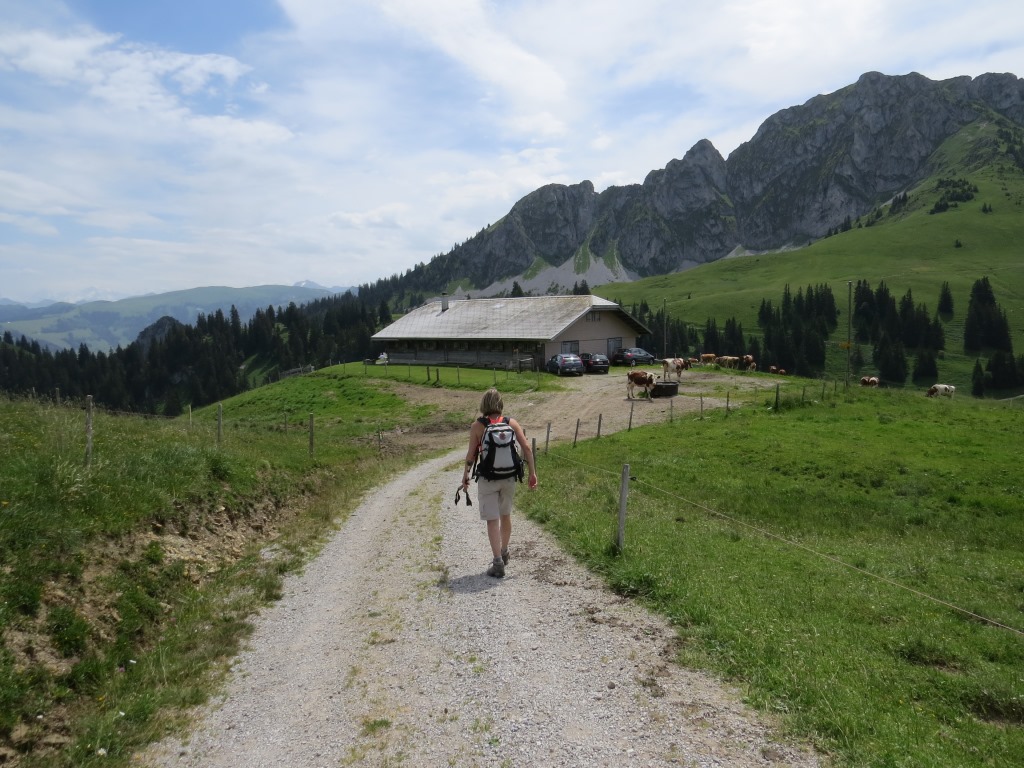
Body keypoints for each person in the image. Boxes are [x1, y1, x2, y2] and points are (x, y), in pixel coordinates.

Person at [462, 388, 537, 578]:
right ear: (500, 403)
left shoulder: (477, 426)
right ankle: (504, 551)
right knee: (506, 515)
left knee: (492, 519)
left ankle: (497, 562)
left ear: (483, 404)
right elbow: (526, 447)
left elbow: (471, 455)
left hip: (488, 479)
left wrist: (466, 475)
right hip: (509, 477)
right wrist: (532, 473)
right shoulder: (510, 423)